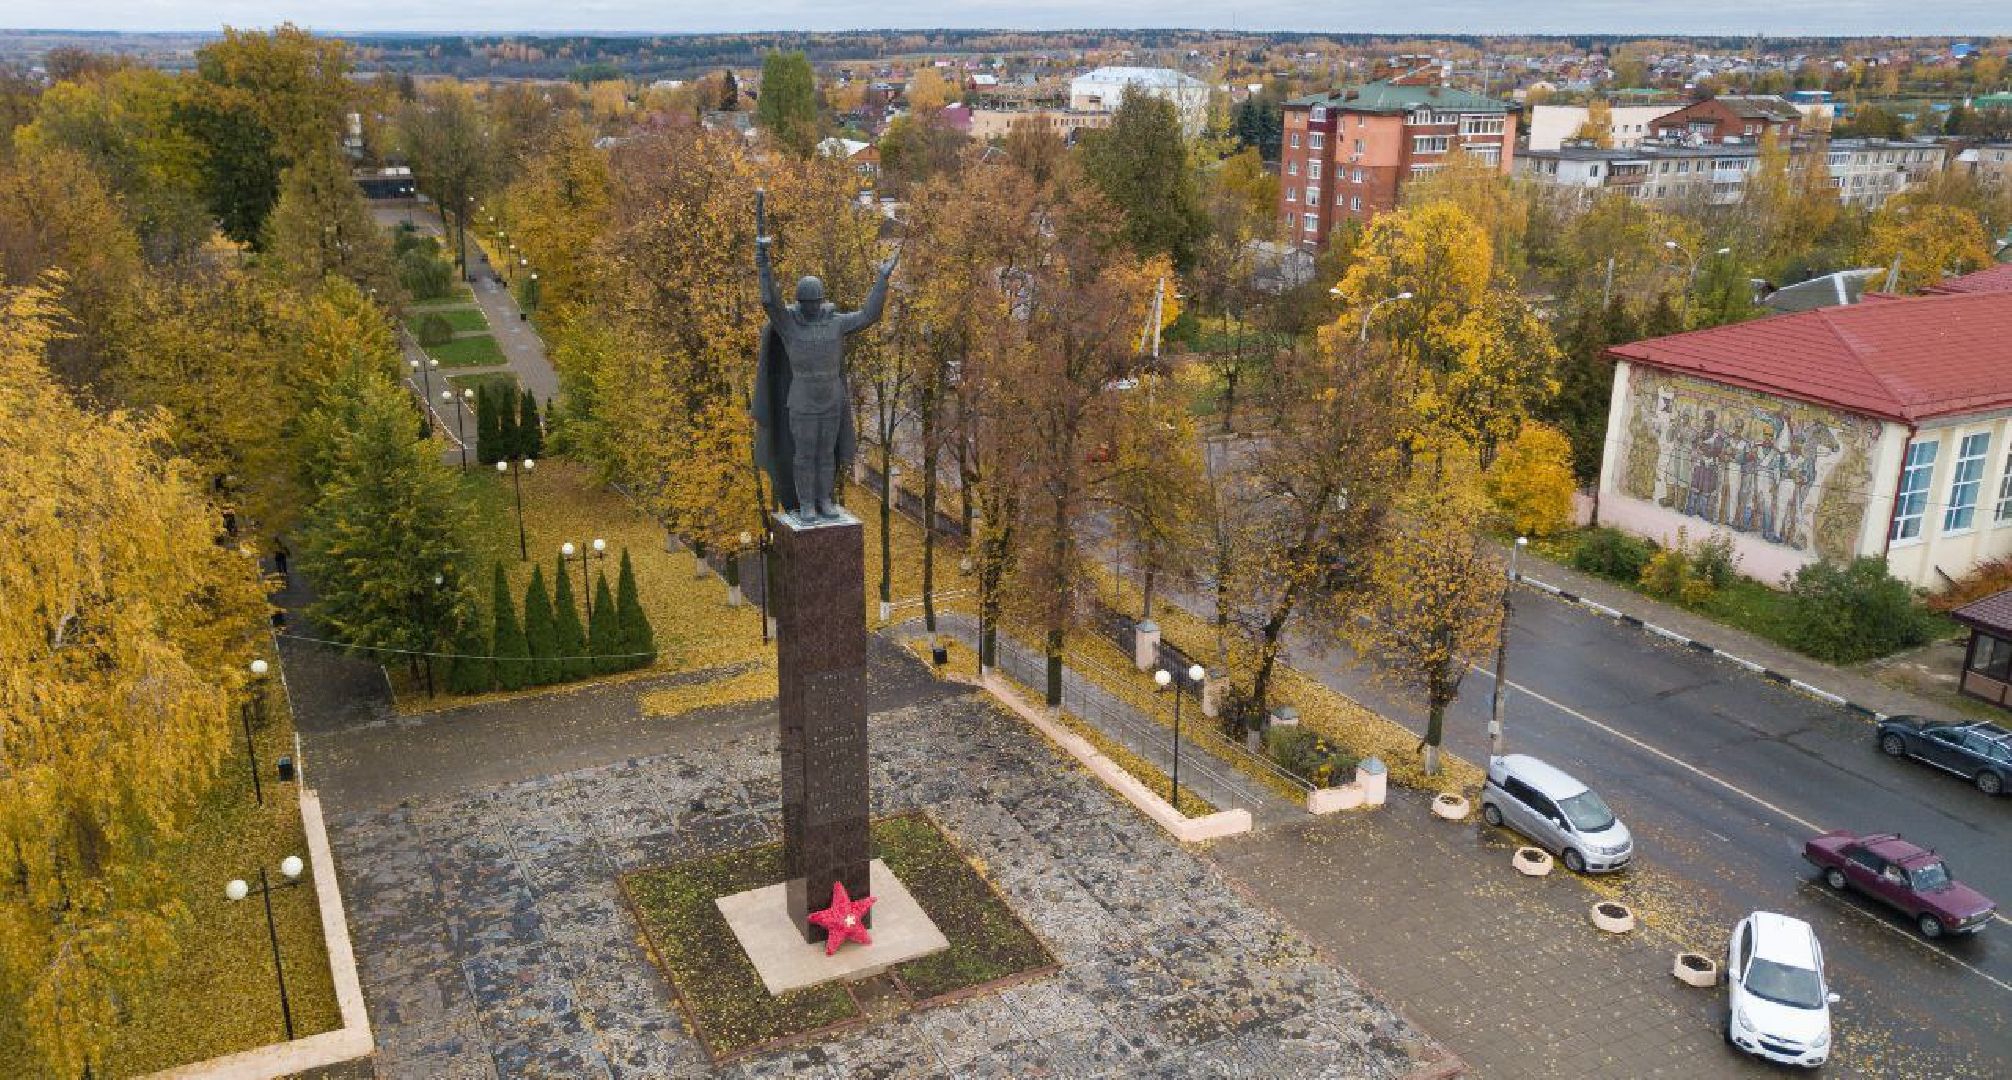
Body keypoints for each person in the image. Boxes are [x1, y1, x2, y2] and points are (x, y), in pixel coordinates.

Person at [751, 191, 896, 522]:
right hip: (802, 400)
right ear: (801, 303)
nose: (812, 307)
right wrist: (763, 262)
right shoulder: (790, 326)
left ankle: (824, 500)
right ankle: (805, 504)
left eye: (815, 302)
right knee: (805, 455)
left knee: (826, 454)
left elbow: (869, 315)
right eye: (807, 304)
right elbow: (770, 301)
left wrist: (882, 280)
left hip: (831, 398)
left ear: (821, 301)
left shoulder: (836, 323)